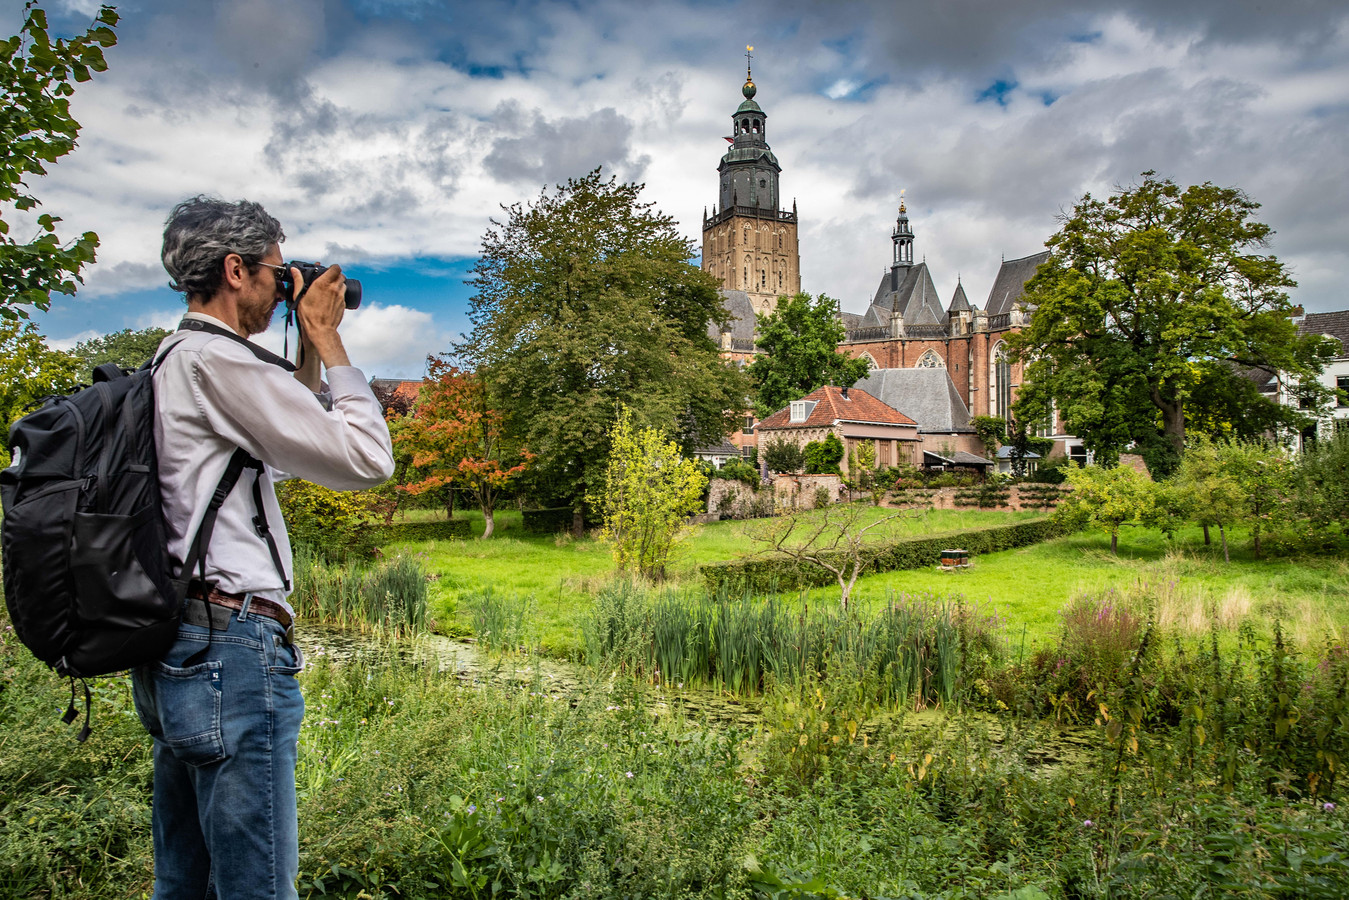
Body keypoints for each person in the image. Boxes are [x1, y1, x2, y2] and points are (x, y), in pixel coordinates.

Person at [131, 196, 394, 900]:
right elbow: (367, 460)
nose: (284, 287)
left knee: (185, 881)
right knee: (257, 886)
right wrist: (329, 341)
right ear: (234, 269)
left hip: (181, 641)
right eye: (278, 272)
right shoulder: (217, 361)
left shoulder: (176, 359)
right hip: (231, 649)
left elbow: (283, 452)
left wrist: (302, 350)